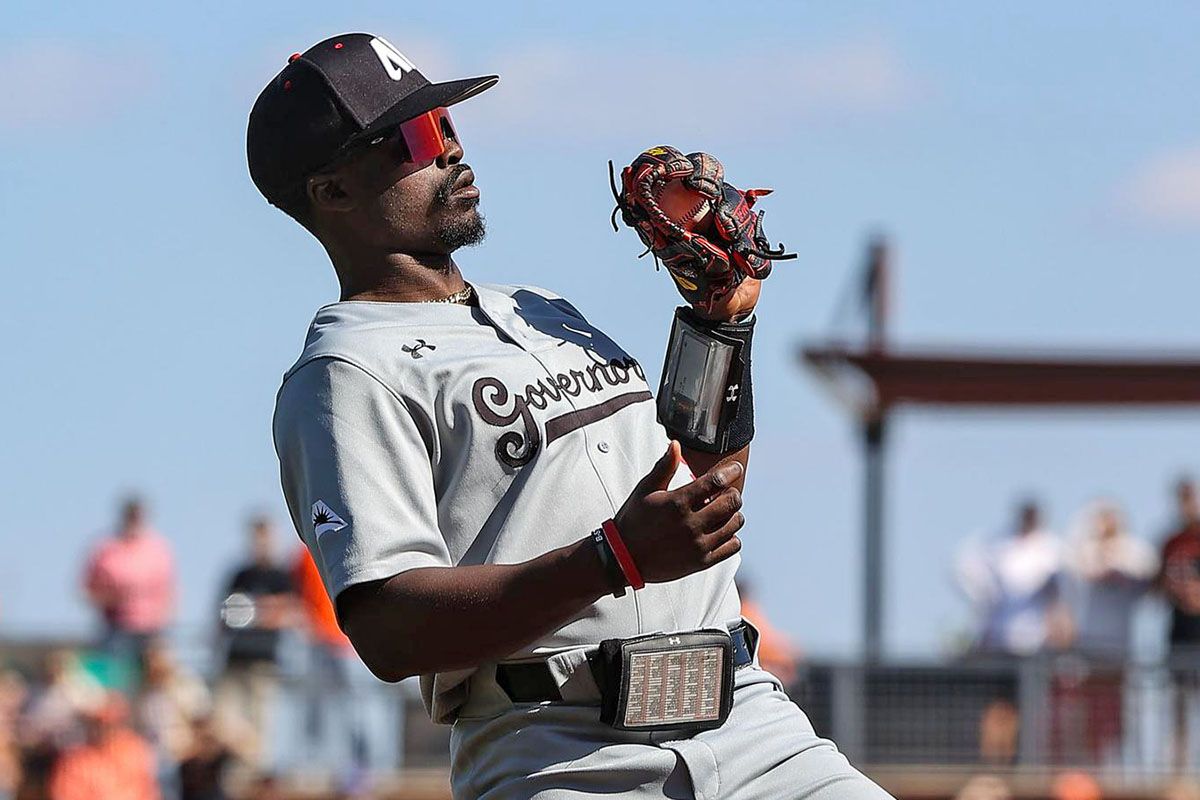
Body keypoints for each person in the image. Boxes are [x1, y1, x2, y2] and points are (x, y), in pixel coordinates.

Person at [250, 31, 891, 800]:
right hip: (560, 750)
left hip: (750, 725)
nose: (451, 147)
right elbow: (387, 627)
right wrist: (614, 557)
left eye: (448, 122)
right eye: (414, 136)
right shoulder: (346, 374)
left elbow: (697, 497)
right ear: (333, 192)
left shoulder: (544, 309)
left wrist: (720, 328)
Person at [212, 516, 294, 770]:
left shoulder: (282, 576)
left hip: (263, 662)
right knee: (225, 719)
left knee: (261, 724)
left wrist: (258, 612)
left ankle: (255, 772)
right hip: (235, 659)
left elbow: (291, 612)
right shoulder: (240, 574)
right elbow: (224, 613)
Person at [956, 500, 1073, 656]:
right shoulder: (998, 544)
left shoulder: (1052, 548)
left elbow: (1061, 595)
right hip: (1000, 637)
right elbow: (965, 568)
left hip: (1039, 640)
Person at [81, 497, 176, 665]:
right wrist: (113, 597)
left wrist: (164, 618)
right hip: (116, 629)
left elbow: (170, 591)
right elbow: (87, 589)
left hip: (152, 631)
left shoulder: (158, 549)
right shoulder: (105, 549)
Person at [1064, 500, 1157, 659]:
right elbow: (1074, 570)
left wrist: (1119, 575)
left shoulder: (1133, 548)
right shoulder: (1085, 548)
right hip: (1087, 637)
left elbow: (1149, 576)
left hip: (1121, 638)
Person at [1159, 476, 1200, 771]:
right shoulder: (1170, 541)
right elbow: (1157, 585)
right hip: (1179, 633)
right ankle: (1178, 771)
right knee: (1179, 705)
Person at [49, 693, 159, 800]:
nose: (107, 729)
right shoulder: (75, 760)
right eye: (100, 723)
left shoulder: (136, 750)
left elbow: (148, 790)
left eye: (114, 722)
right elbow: (65, 794)